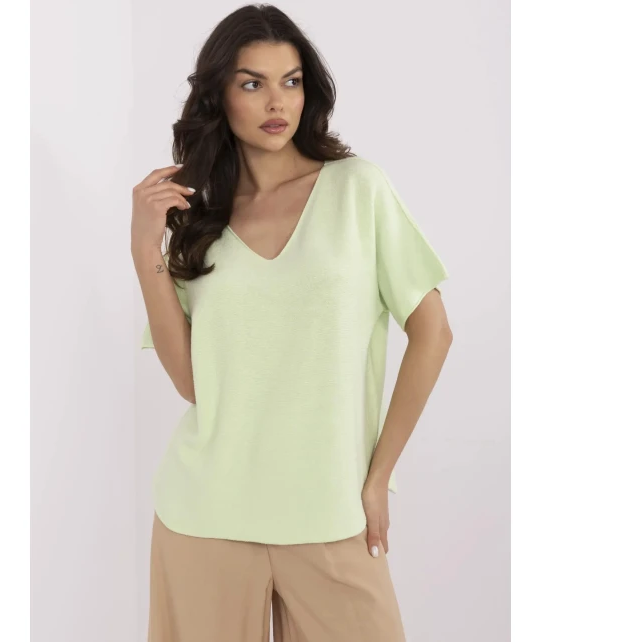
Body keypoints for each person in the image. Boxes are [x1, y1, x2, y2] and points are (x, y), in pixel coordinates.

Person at [130, 5, 453, 641]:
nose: (277, 102)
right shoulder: (203, 220)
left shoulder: (358, 189)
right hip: (206, 516)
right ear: (219, 96)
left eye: (292, 81)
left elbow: (433, 333)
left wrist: (378, 478)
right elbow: (194, 383)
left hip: (331, 513)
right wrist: (147, 251)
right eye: (252, 83)